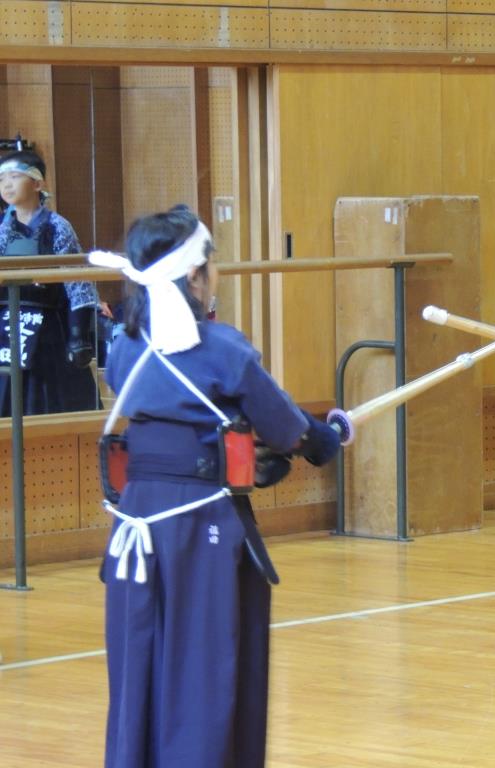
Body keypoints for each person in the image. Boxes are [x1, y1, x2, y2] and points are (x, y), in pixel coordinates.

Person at [93, 206, 341, 767]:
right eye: (213, 262)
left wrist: (268, 446)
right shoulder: (224, 348)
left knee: (142, 656)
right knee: (203, 661)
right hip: (198, 521)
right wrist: (320, 439)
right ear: (194, 275)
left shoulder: (124, 348)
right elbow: (282, 424)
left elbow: (199, 419)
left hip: (138, 519)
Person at [0, 149, 101, 414]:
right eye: (1, 179)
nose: (7, 184)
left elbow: (77, 283)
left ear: (37, 183)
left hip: (47, 328)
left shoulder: (57, 226)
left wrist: (79, 335)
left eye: (14, 176)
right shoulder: (2, 229)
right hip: (7, 324)